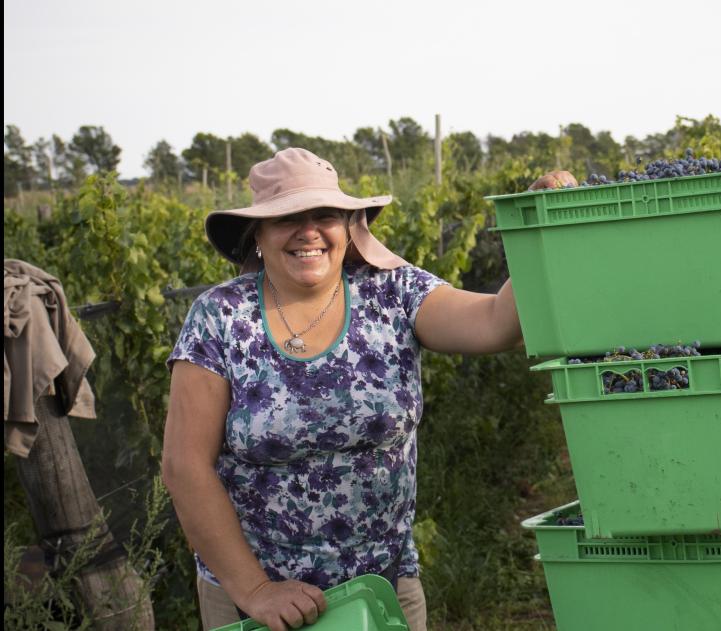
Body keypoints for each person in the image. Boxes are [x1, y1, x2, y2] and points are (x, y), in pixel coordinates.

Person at [162, 148, 538, 631]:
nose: (308, 230)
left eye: (324, 215)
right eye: (286, 218)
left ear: (350, 225)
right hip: (254, 602)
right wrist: (255, 591)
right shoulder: (220, 317)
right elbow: (184, 465)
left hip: (382, 584)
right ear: (257, 234)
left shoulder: (394, 295)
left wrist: (537, 227)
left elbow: (496, 324)